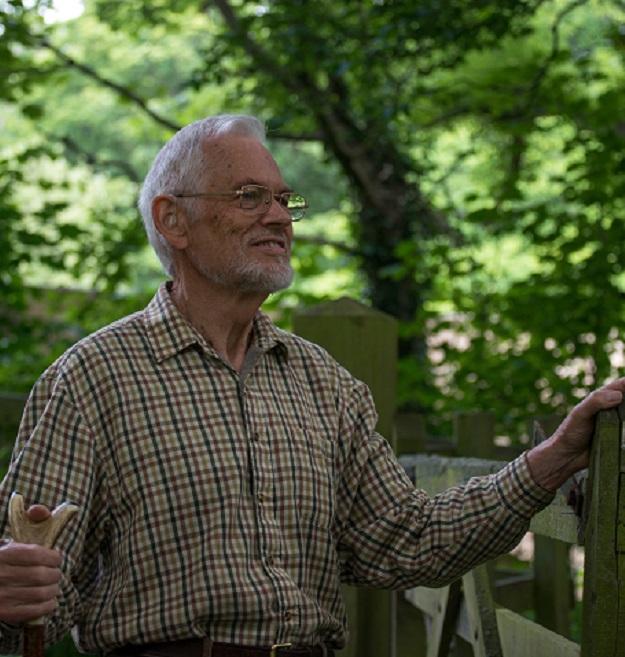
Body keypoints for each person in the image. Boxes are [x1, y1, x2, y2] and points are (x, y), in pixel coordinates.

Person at [0, 114, 622, 657]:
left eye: (284, 201)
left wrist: (553, 458)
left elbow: (406, 541)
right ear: (174, 221)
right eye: (249, 197)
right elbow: (33, 589)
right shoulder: (93, 377)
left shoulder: (326, 384)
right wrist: (9, 597)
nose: (277, 217)